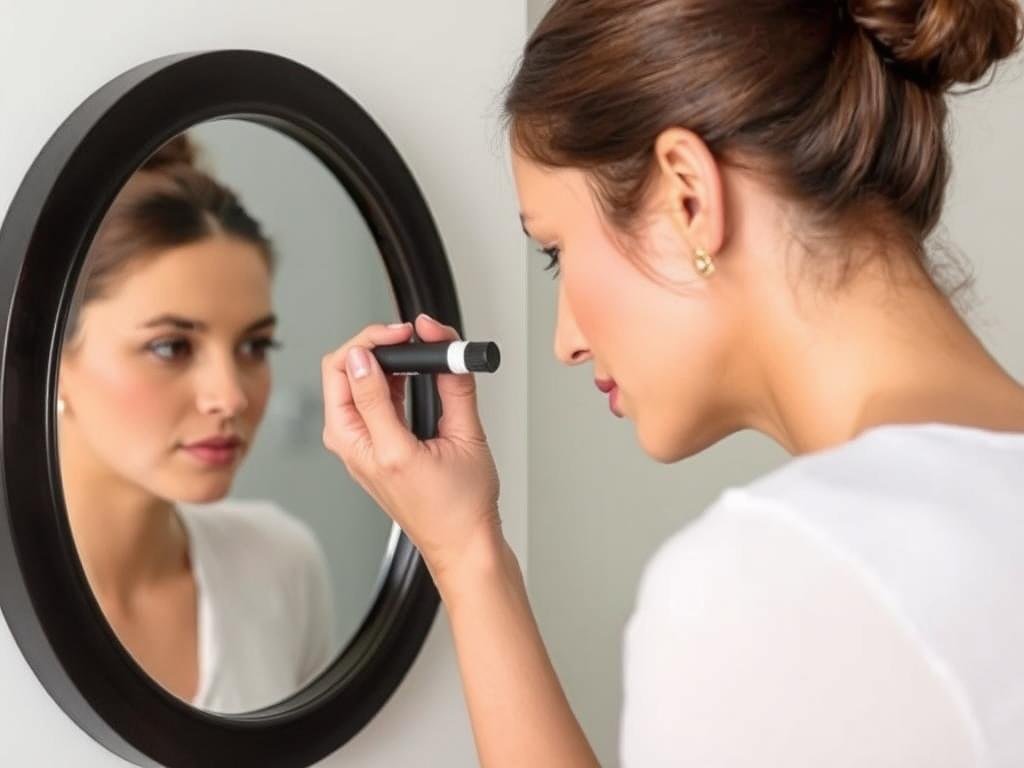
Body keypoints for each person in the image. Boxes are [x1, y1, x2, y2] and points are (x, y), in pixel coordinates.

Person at [321, 0, 1024, 765]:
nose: (567, 343)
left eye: (556, 251)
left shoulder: (785, 578)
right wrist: (466, 552)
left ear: (689, 194)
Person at [58, 134, 334, 714]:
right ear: (55, 360)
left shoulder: (279, 562)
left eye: (255, 346)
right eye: (170, 347)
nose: (230, 397)